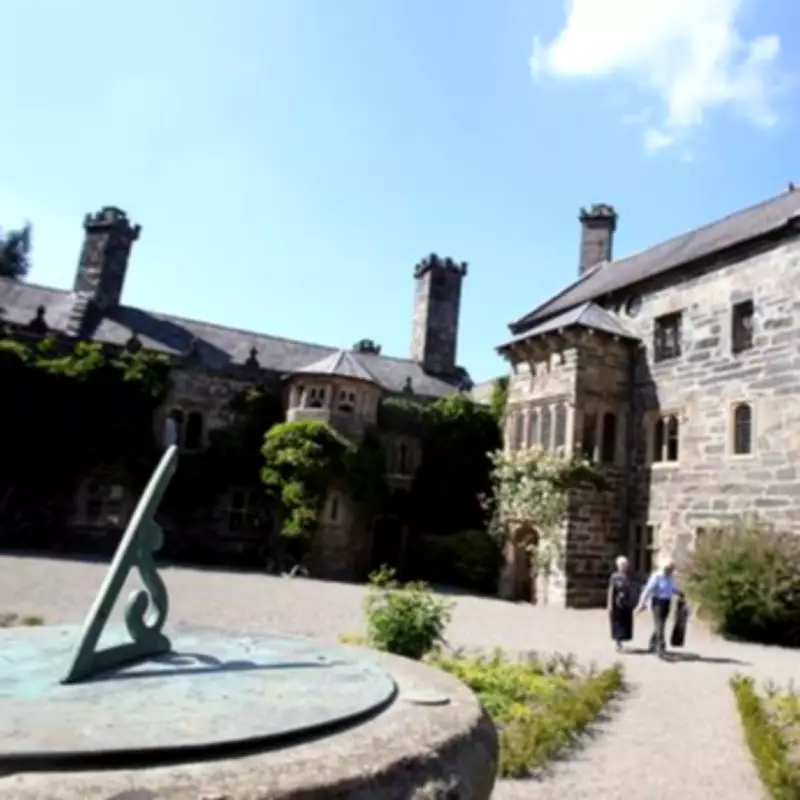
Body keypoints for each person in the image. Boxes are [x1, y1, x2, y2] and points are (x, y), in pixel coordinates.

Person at [635, 556, 683, 656]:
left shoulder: (670, 577)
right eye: (670, 568)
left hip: (667, 602)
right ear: (665, 567)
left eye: (672, 568)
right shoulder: (657, 576)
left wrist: (679, 592)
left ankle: (653, 643)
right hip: (657, 602)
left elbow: (672, 588)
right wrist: (641, 604)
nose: (671, 570)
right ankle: (660, 647)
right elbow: (648, 590)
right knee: (660, 624)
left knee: (660, 624)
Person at [607, 555, 634, 652]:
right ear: (618, 566)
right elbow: (611, 591)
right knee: (617, 624)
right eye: (622, 565)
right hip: (617, 604)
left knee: (625, 624)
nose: (624, 567)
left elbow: (631, 590)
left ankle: (621, 641)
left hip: (626, 604)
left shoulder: (628, 576)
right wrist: (609, 605)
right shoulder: (614, 577)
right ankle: (618, 643)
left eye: (625, 565)